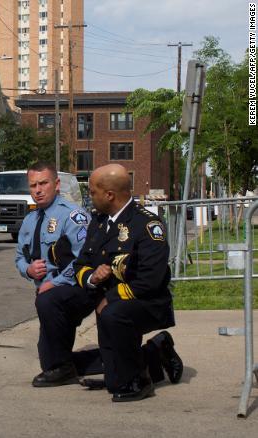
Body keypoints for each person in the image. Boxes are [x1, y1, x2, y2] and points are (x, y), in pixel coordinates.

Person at [75, 164, 183, 402]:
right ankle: (157, 350)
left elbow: (150, 281)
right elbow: (80, 263)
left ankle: (139, 381)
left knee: (113, 314)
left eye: (92, 192)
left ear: (109, 195)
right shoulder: (99, 222)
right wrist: (93, 277)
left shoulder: (147, 225)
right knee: (114, 382)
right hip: (111, 302)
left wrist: (110, 298)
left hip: (148, 302)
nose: (90, 196)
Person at [14, 162, 95, 387]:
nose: (38, 190)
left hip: (76, 289)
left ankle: (63, 368)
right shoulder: (30, 220)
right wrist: (28, 270)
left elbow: (83, 261)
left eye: (43, 183)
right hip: (47, 294)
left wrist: (55, 283)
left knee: (48, 303)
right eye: (33, 185)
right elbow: (19, 257)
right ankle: (142, 355)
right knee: (47, 361)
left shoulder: (73, 216)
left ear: (56, 184)